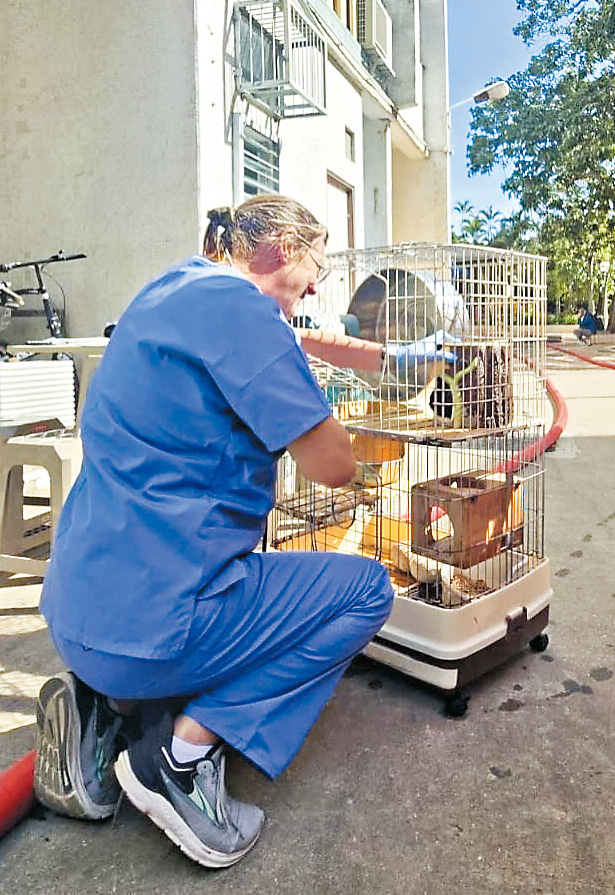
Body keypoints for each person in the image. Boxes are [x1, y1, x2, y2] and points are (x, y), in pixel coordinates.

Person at [34, 194, 394, 868]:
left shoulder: (166, 292)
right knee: (364, 589)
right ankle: (180, 756)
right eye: (315, 264)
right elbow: (335, 465)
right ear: (276, 249)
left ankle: (104, 708)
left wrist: (388, 356)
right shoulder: (245, 314)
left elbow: (304, 337)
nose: (318, 283)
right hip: (156, 626)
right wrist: (337, 406)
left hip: (74, 609)